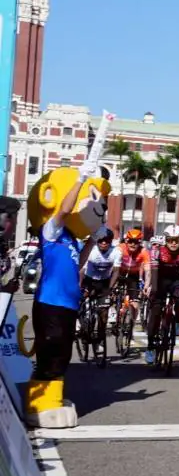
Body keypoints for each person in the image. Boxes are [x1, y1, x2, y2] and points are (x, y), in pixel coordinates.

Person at [30, 168, 93, 411]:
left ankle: (52, 399)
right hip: (50, 302)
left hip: (68, 303)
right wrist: (80, 180)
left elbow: (79, 263)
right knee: (50, 350)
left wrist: (93, 240)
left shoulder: (71, 239)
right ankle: (39, 404)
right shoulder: (51, 230)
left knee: (62, 354)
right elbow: (65, 209)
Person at [144, 225, 179, 364]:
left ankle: (175, 322)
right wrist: (154, 290)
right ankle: (150, 345)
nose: (173, 243)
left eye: (177, 240)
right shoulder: (157, 251)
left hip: (176, 280)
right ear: (165, 240)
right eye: (170, 240)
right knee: (156, 310)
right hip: (160, 279)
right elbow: (154, 271)